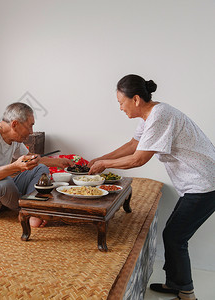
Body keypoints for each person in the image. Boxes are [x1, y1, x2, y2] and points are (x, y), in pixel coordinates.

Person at [88, 74, 215, 300]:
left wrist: (105, 164)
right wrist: (100, 158)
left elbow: (138, 159)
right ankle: (175, 283)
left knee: (176, 236)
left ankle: (187, 293)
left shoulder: (160, 115)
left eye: (120, 102)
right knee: (173, 234)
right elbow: (134, 144)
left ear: (135, 99)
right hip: (195, 183)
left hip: (205, 183)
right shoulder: (149, 116)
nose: (119, 107)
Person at [0, 102, 74, 228]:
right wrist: (15, 167)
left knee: (40, 168)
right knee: (4, 183)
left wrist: (57, 162)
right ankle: (27, 212)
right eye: (30, 126)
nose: (31, 131)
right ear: (14, 124)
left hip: (0, 195)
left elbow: (30, 158)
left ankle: (32, 209)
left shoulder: (14, 138)